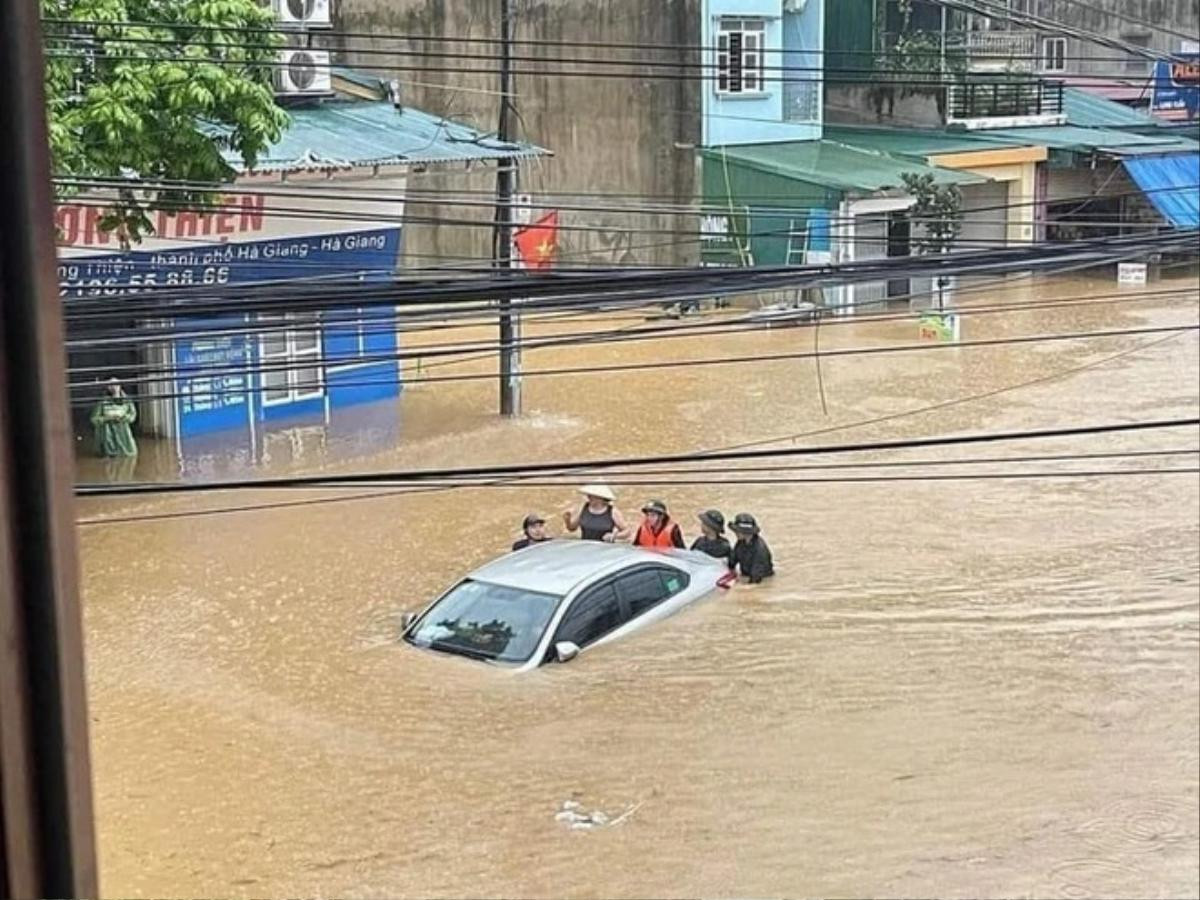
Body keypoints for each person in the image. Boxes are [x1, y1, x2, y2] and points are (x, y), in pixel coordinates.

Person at [562, 483, 629, 543]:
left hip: (605, 549)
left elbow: (627, 531)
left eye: (591, 496)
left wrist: (613, 536)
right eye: (588, 495)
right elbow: (572, 528)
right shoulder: (583, 508)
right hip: (585, 546)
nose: (588, 497)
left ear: (600, 497)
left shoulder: (612, 511)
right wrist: (567, 520)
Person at [90, 378, 137, 459]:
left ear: (120, 386)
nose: (113, 388)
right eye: (110, 385)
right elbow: (94, 419)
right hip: (108, 434)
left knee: (127, 458)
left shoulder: (127, 401)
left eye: (115, 385)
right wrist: (106, 418)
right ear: (108, 388)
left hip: (123, 435)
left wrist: (123, 418)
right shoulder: (102, 402)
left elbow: (132, 415)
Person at [729, 513, 774, 584]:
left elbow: (756, 579)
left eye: (737, 531)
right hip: (747, 576)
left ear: (745, 532)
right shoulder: (741, 542)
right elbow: (732, 561)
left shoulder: (759, 549)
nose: (735, 533)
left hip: (761, 581)